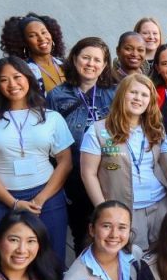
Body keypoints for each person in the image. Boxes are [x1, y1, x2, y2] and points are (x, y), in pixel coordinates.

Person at [0, 57, 73, 265]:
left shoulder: (51, 117)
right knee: (12, 262)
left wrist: (40, 199)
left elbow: (65, 161)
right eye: (3, 80)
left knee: (53, 258)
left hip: (48, 198)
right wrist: (14, 203)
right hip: (5, 199)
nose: (12, 84)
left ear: (28, 78)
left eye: (17, 77)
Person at [80, 74, 167, 251]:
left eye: (144, 95)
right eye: (133, 92)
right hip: (123, 211)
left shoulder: (156, 128)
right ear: (121, 95)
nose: (138, 98)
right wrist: (104, 210)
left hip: (160, 206)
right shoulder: (98, 130)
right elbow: (88, 174)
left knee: (164, 258)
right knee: (132, 260)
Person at [46, 37, 118, 251]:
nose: (91, 64)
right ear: (75, 59)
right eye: (86, 57)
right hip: (74, 174)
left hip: (109, 171)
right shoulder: (56, 96)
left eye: (97, 60)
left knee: (110, 227)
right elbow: (50, 139)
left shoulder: (114, 93)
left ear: (104, 65)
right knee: (82, 232)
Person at [0, 13, 67, 95]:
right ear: (23, 42)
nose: (41, 38)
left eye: (44, 32)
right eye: (32, 35)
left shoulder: (66, 64)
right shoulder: (23, 71)